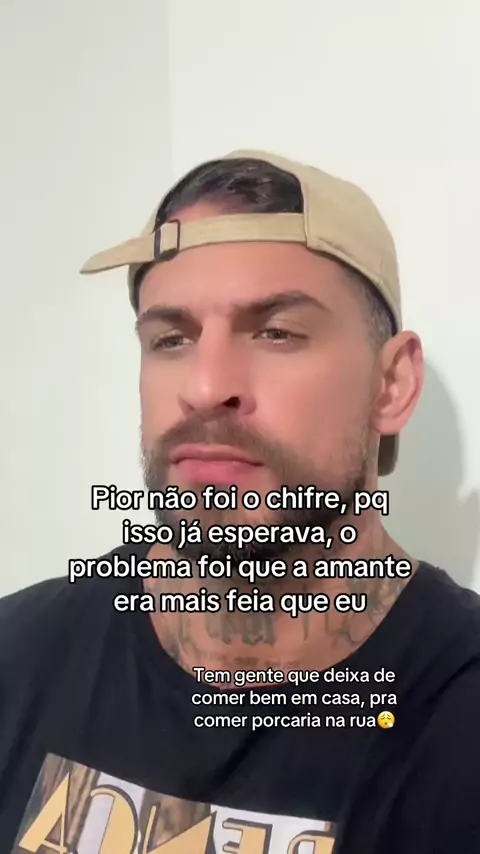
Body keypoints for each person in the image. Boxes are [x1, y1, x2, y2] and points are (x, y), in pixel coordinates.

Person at [1, 149, 479, 854]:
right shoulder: (19, 656)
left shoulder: (457, 718)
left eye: (277, 332)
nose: (204, 387)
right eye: (171, 338)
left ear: (391, 386)